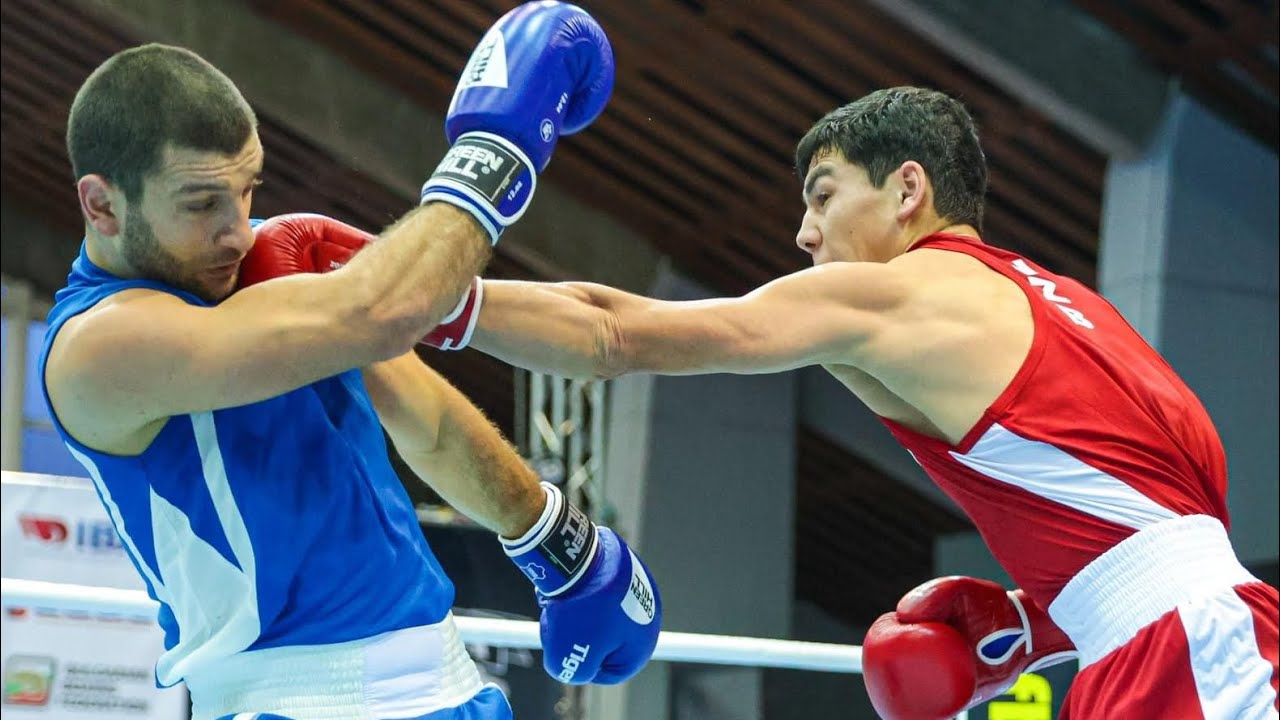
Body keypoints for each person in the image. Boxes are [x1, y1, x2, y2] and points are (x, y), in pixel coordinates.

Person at [415, 86, 1280, 718]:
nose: (804, 233)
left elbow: (614, 332)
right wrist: (1033, 625)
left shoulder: (898, 296)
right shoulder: (1082, 312)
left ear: (907, 190)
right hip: (1216, 639)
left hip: (1188, 658)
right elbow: (1166, 530)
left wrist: (415, 297)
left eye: (824, 196)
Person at [38, 3, 660, 719]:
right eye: (202, 203)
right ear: (102, 206)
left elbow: (429, 422)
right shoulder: (98, 346)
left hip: (450, 681)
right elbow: (383, 311)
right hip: (292, 700)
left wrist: (558, 543)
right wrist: (496, 152)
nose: (237, 232)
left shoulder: (266, 271)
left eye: (248, 190)